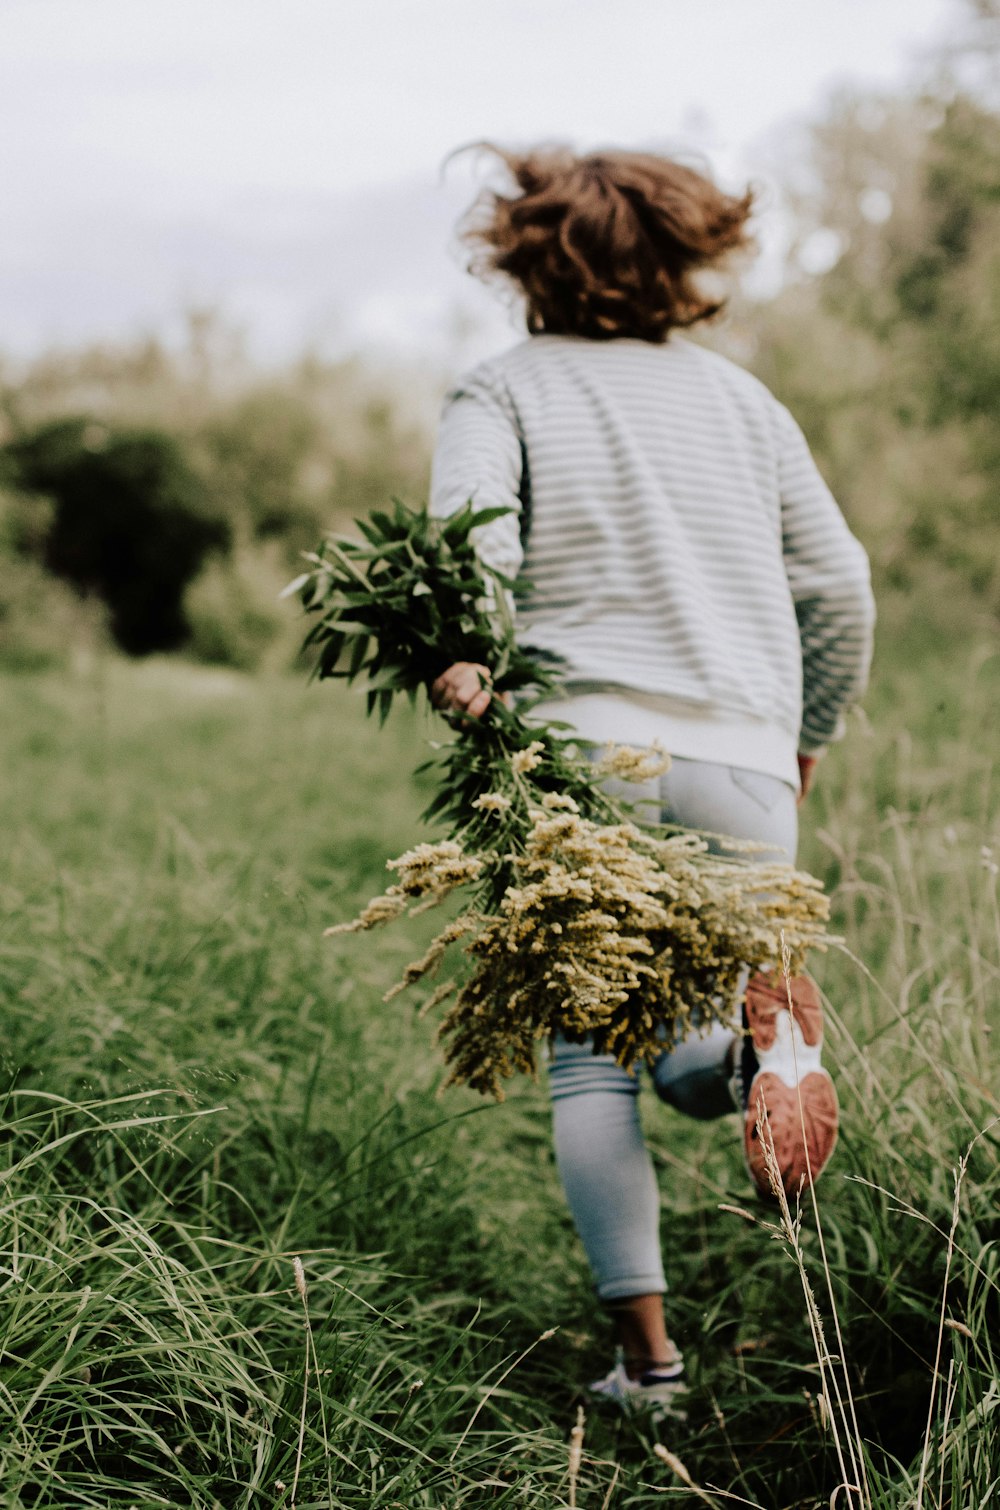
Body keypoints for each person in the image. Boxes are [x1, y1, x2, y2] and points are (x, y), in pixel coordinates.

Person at [427, 145, 875, 1415]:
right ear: (686, 259)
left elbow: (472, 557)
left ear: (524, 258)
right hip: (743, 755)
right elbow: (838, 584)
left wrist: (468, 663)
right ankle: (745, 1060)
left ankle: (650, 1365)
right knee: (705, 1012)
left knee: (586, 1064)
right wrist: (808, 733)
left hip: (580, 758)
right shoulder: (747, 406)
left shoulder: (501, 389)